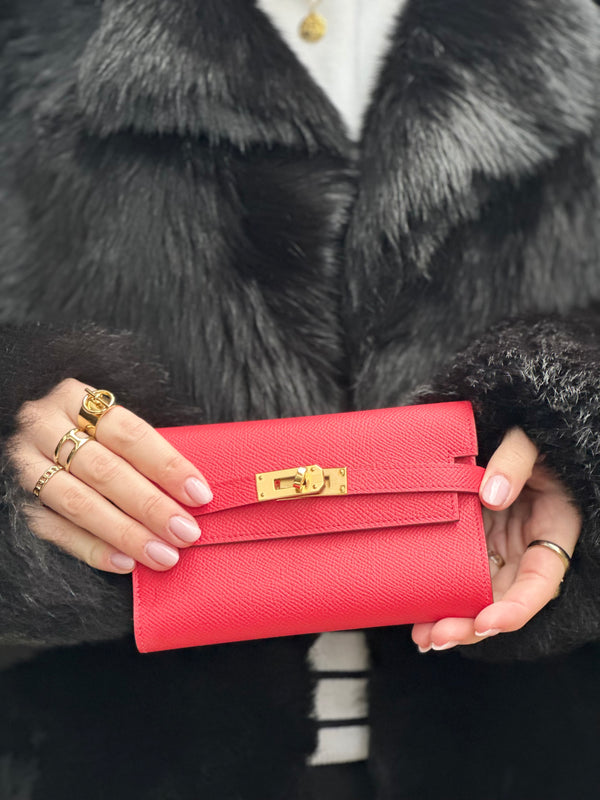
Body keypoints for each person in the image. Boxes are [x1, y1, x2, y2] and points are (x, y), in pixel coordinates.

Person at [1, 0, 599, 798]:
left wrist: (577, 427)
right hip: (101, 753)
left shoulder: (569, 37)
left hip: (536, 746)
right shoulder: (28, 32)